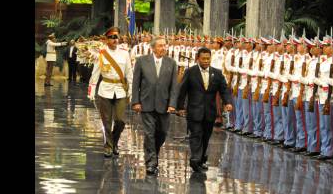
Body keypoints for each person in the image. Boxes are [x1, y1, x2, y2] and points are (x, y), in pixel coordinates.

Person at [177, 47, 233, 172]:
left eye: (208, 58)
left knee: (205, 136)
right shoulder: (190, 72)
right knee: (196, 134)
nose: (206, 61)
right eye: (203, 59)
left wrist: (227, 102)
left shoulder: (217, 73)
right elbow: (182, 90)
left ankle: (202, 159)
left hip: (209, 112)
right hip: (194, 111)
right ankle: (195, 159)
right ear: (198, 59)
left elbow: (224, 90)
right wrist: (180, 107)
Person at [131, 37, 179, 175]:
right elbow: (136, 83)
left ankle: (154, 154)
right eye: (160, 46)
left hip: (164, 105)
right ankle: (151, 162)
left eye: (165, 46)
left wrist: (172, 104)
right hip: (146, 103)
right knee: (149, 133)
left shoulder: (171, 63)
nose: (163, 48)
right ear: (153, 48)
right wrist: (135, 101)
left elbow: (174, 86)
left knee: (162, 133)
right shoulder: (142, 61)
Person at [87, 27, 133, 158]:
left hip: (120, 90)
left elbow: (129, 73)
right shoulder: (101, 54)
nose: (115, 40)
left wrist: (131, 90)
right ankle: (108, 146)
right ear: (106, 40)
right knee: (106, 120)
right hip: (105, 89)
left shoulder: (125, 53)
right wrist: (91, 90)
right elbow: (95, 73)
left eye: (116, 37)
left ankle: (114, 141)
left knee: (120, 120)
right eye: (112, 37)